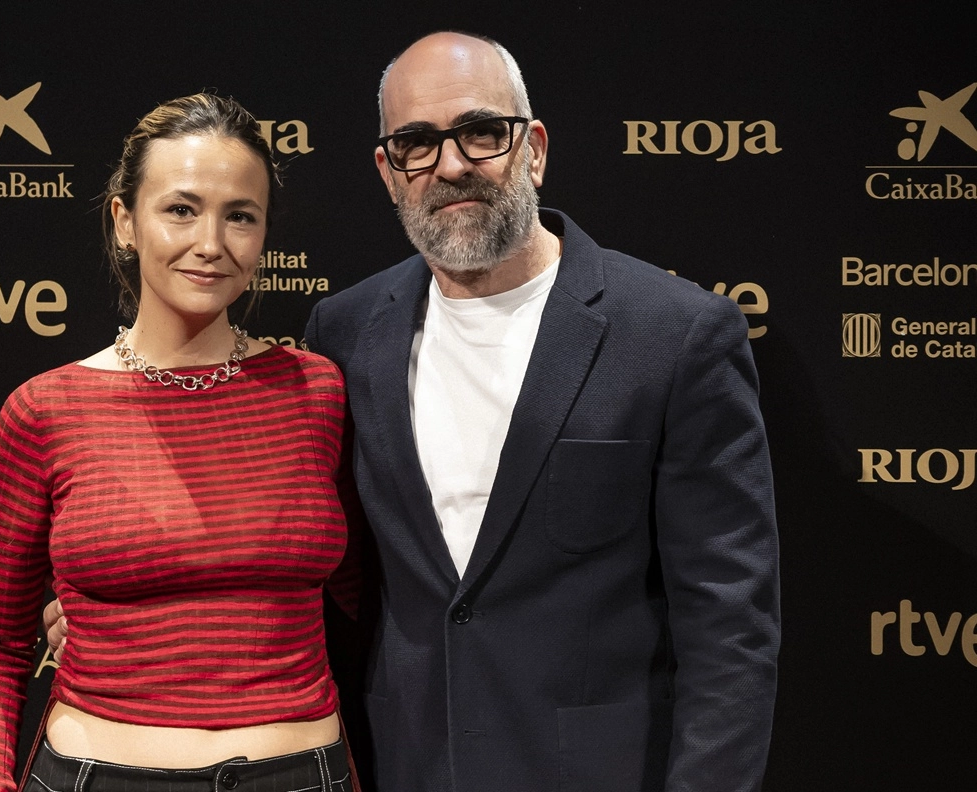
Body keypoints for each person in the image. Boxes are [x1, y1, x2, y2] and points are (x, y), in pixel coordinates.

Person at [50, 31, 780, 792]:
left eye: (481, 133)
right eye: (416, 144)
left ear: (532, 147)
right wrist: (117, 617)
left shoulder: (676, 333)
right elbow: (298, 554)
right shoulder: (344, 332)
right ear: (388, 171)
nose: (451, 164)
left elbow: (730, 628)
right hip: (397, 766)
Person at [0, 93, 361, 792]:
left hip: (303, 775)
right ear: (124, 222)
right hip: (97, 774)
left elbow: (382, 599)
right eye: (181, 208)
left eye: (240, 216)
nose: (211, 243)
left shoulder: (316, 392)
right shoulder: (44, 410)